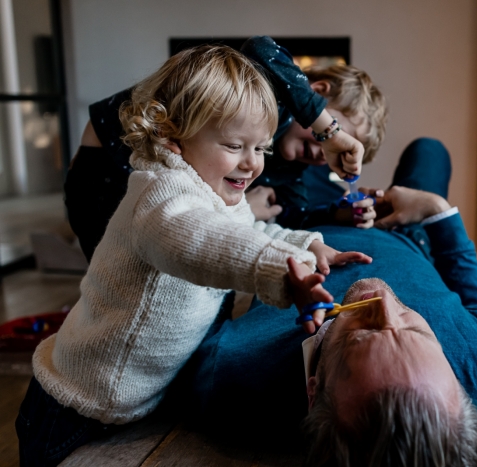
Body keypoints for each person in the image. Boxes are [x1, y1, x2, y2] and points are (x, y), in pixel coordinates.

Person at [16, 45, 371, 467]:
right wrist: (282, 270)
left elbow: (248, 229)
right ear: (173, 135)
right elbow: (203, 243)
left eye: (261, 148)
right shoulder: (159, 195)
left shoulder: (219, 191)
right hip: (74, 405)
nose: (252, 164)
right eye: (234, 145)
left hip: (134, 399)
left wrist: (305, 245)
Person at [187, 149, 477, 466]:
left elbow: (205, 285)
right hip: (407, 231)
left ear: (314, 391)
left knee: (297, 151)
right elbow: (475, 294)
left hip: (303, 218)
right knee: (429, 150)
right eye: (417, 330)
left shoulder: (230, 379)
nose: (383, 299)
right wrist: (436, 210)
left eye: (361, 335)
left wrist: (241, 219)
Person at [66, 35, 388, 263]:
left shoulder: (290, 172)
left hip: (163, 176)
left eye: (260, 148)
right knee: (112, 263)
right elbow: (260, 47)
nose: (324, 154)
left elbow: (292, 214)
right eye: (341, 133)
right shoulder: (269, 95)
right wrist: (329, 131)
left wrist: (337, 213)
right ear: (316, 94)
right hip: (108, 155)